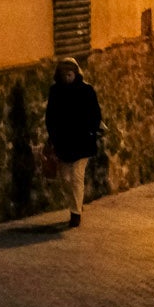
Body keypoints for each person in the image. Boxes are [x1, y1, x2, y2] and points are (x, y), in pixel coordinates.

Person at [45, 57, 102, 227]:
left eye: (70, 74)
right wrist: (53, 137)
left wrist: (91, 131)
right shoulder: (55, 92)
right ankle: (76, 203)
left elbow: (95, 113)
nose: (68, 77)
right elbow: (51, 116)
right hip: (63, 141)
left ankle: (75, 213)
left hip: (82, 140)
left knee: (77, 176)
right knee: (66, 179)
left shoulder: (86, 91)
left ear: (76, 73)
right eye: (65, 74)